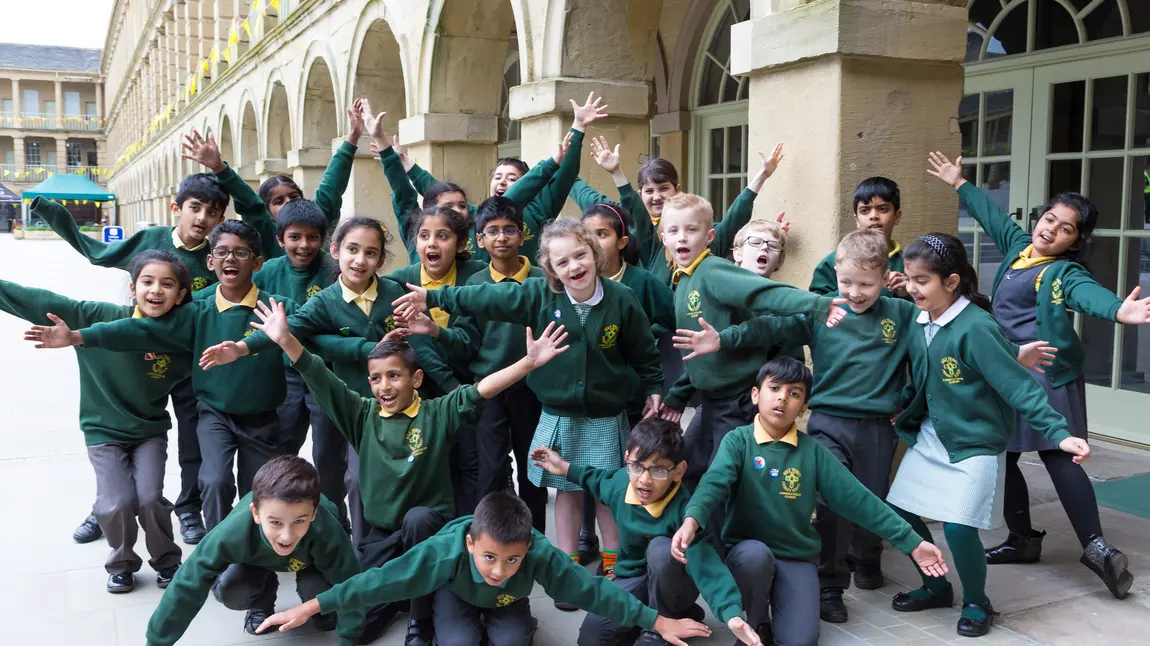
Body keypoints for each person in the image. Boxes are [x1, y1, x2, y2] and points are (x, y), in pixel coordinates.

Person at [674, 228, 1059, 625]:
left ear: (885, 279)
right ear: (836, 275)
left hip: (877, 426)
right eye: (846, 282)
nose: (855, 292)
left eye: (866, 284)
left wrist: (1013, 352)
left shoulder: (902, 312)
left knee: (872, 499)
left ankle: (867, 559)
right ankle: (830, 584)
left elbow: (952, 332)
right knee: (827, 501)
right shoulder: (825, 310)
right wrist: (724, 338)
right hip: (827, 421)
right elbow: (770, 327)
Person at [244, 294, 568, 646]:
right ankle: (398, 599)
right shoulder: (361, 415)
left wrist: (528, 363)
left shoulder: (436, 413)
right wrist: (285, 339)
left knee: (418, 520)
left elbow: (479, 391)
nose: (385, 386)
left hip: (429, 535)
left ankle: (420, 617)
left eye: (394, 375)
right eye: (376, 378)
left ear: (415, 379)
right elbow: (318, 374)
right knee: (353, 627)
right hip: (381, 537)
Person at [391, 218, 664, 593]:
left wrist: (653, 385)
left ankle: (615, 565)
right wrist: (434, 297)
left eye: (580, 255)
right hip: (560, 415)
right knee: (566, 491)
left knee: (609, 493)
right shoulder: (538, 294)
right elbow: (488, 297)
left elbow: (643, 349)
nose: (575, 267)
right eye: (563, 262)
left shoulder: (621, 299)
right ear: (550, 269)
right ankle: (568, 568)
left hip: (605, 415)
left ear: (595, 253)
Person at [927, 152, 1145, 599]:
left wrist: (1120, 310)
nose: (1051, 229)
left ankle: (1097, 548)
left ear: (1074, 242)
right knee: (1004, 455)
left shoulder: (1063, 272)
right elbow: (993, 218)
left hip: (1047, 374)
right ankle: (1022, 538)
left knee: (1059, 456)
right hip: (1008, 369)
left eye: (1065, 228)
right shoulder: (1018, 249)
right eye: (1049, 218)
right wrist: (960, 183)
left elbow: (1088, 295)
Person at [198, 215, 463, 548]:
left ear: (381, 259)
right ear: (336, 251)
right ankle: (336, 538)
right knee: (327, 470)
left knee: (361, 477)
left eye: (370, 253)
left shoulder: (396, 295)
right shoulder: (324, 301)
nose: (360, 260)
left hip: (385, 412)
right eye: (352, 249)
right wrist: (240, 347)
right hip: (339, 402)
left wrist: (452, 384)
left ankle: (370, 549)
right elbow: (289, 328)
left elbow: (422, 347)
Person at [25, 220, 297, 532]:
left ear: (258, 262)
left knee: (258, 488)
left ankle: (251, 551)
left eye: (241, 253)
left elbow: (305, 328)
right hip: (214, 413)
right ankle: (219, 551)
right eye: (221, 252)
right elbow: (140, 328)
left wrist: (246, 347)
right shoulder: (198, 308)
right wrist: (77, 336)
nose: (230, 259)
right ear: (210, 261)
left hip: (262, 417)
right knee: (214, 480)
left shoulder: (278, 307)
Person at [884, 233, 1091, 637]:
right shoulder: (919, 319)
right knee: (901, 514)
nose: (911, 288)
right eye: (908, 278)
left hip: (975, 442)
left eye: (921, 280)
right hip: (933, 435)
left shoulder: (975, 326)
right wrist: (902, 407)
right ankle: (935, 585)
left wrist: (1059, 433)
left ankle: (978, 601)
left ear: (952, 282)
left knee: (960, 527)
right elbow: (922, 375)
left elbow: (1018, 385)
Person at [670, 357, 948, 645]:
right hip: (747, 552)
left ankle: (782, 608)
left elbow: (859, 500)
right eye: (774, 388)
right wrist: (692, 520)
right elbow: (713, 484)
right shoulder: (737, 441)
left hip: (796, 556)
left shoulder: (812, 452)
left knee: (800, 641)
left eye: (794, 393)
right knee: (754, 557)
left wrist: (911, 542)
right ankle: (757, 621)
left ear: (803, 407)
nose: (782, 398)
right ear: (756, 395)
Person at [30, 178, 230, 545]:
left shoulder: (217, 256)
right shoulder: (151, 239)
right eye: (195, 208)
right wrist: (49, 211)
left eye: (212, 213)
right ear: (177, 208)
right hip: (141, 349)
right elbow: (97, 253)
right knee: (116, 433)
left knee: (193, 441)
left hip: (188, 361)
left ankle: (187, 508)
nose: (202, 218)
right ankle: (104, 506)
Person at [255, 492, 714, 646]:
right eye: (490, 557)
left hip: (510, 605)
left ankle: (519, 619)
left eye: (512, 559)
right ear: (471, 543)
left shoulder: (537, 553)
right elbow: (379, 581)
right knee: (457, 642)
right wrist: (314, 605)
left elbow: (596, 592)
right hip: (456, 591)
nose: (500, 568)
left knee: (512, 640)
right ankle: (437, 607)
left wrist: (658, 619)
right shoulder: (445, 551)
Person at [8, 251, 189, 594]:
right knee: (117, 502)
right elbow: (37, 300)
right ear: (133, 288)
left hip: (149, 432)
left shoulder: (180, 336)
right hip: (103, 432)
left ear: (180, 295)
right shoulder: (98, 317)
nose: (156, 291)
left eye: (167, 284)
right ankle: (121, 565)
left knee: (150, 498)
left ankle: (167, 561)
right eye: (147, 282)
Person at [656, 193, 847, 504]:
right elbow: (699, 357)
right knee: (689, 472)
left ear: (710, 236)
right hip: (711, 403)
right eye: (674, 231)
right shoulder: (684, 279)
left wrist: (818, 304)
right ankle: (698, 542)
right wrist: (677, 395)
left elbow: (764, 294)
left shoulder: (714, 271)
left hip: (737, 402)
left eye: (691, 230)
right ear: (663, 237)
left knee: (723, 483)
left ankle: (730, 548)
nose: (682, 237)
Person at [531, 418, 763, 646]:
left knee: (661, 549)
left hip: (675, 581)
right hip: (632, 576)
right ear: (627, 460)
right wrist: (562, 467)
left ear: (679, 471)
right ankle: (674, 615)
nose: (644, 480)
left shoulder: (686, 512)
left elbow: (706, 564)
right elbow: (594, 478)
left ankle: (666, 620)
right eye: (636, 466)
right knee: (592, 638)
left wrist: (731, 613)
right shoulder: (621, 485)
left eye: (659, 471)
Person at [143, 456, 366, 642]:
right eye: (276, 522)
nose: (286, 536)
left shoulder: (326, 530)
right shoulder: (233, 530)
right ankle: (263, 599)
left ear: (314, 514)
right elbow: (187, 584)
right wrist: (156, 642)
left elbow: (350, 585)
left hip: (312, 561)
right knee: (233, 591)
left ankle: (314, 604)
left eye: (299, 520)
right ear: (256, 513)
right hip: (255, 559)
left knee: (321, 594)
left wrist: (349, 638)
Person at [428, 196, 548, 530]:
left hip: (532, 391)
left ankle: (534, 541)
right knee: (491, 469)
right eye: (491, 231)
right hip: (489, 390)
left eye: (509, 230)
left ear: (522, 235)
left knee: (532, 469)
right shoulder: (474, 285)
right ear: (480, 240)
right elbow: (465, 341)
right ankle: (489, 537)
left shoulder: (541, 281)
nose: (501, 237)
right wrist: (437, 332)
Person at [371, 93, 604, 263]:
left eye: (512, 178)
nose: (503, 182)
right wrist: (405, 163)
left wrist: (577, 129)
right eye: (498, 176)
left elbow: (563, 176)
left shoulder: (537, 209)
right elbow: (436, 194)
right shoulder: (473, 216)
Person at [576, 201, 676, 570]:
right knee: (589, 468)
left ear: (621, 241)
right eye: (587, 235)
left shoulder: (642, 283)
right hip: (594, 398)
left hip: (634, 398)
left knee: (631, 468)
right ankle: (587, 535)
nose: (594, 242)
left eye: (602, 234)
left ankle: (631, 542)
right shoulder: (579, 284)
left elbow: (671, 320)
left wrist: (644, 335)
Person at [570, 140, 786, 288]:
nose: (657, 197)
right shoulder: (651, 242)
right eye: (649, 191)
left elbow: (735, 218)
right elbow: (633, 209)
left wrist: (762, 177)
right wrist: (614, 172)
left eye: (664, 188)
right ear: (664, 237)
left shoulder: (708, 240)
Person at [185, 100, 363, 259]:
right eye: (278, 201)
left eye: (293, 197)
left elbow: (331, 186)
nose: (288, 203)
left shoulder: (319, 217)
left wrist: (352, 138)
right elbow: (249, 202)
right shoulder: (267, 232)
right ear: (268, 213)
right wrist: (220, 168)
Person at [808, 177, 909, 298]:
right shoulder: (836, 260)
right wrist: (847, 289)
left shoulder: (908, 263)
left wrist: (907, 293)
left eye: (882, 209)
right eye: (865, 210)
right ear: (857, 219)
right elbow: (816, 303)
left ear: (897, 216)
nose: (874, 216)